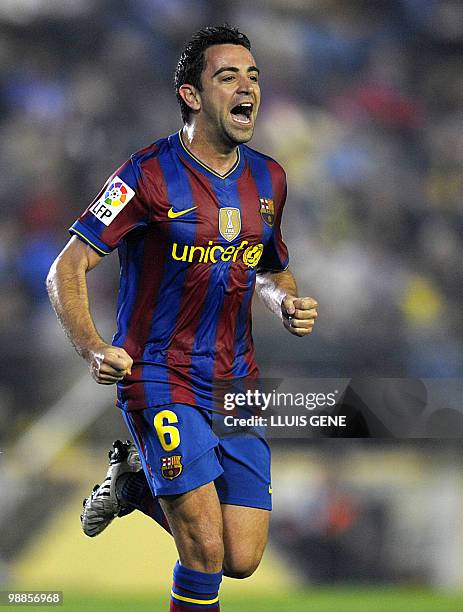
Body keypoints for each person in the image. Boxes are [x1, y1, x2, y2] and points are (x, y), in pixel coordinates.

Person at [47, 25, 318, 612]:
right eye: (228, 76)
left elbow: (269, 267)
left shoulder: (269, 178)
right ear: (192, 95)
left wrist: (285, 301)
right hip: (158, 374)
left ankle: (136, 485)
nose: (247, 87)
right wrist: (94, 347)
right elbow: (66, 267)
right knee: (203, 555)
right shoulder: (144, 175)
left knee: (241, 557)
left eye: (253, 76)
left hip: (235, 382)